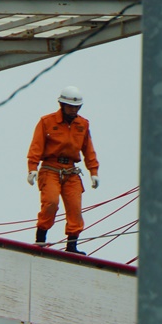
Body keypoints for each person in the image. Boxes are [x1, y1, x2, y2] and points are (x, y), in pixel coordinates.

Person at [27, 86, 100, 255]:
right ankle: (40, 241)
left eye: (76, 107)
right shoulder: (47, 122)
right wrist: (32, 168)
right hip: (50, 168)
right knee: (51, 203)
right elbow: (36, 146)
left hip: (71, 171)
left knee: (75, 208)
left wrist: (94, 171)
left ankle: (72, 246)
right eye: (70, 106)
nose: (73, 110)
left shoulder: (83, 124)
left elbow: (88, 150)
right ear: (61, 105)